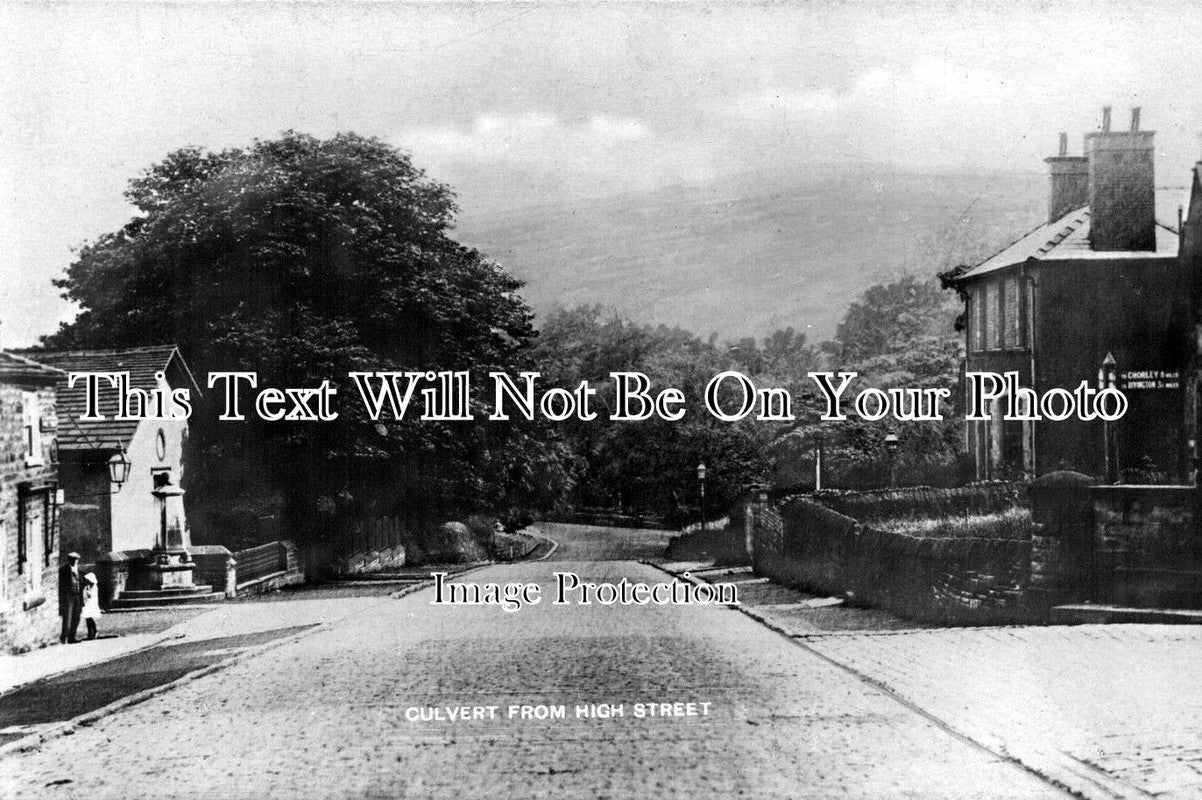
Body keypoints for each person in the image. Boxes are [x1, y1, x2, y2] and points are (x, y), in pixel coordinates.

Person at [58, 552, 83, 644]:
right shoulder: (63, 569)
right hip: (68, 596)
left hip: (77, 595)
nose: (75, 561)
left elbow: (81, 581)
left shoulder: (78, 569)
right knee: (67, 616)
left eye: (76, 559)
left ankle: (72, 637)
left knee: (77, 616)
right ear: (69, 559)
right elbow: (60, 584)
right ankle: (64, 637)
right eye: (72, 559)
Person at [82, 573, 102, 640]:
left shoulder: (93, 587)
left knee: (89, 618)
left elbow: (89, 596)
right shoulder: (88, 586)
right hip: (87, 604)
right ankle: (90, 633)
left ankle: (94, 632)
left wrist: (87, 591)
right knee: (88, 619)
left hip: (91, 604)